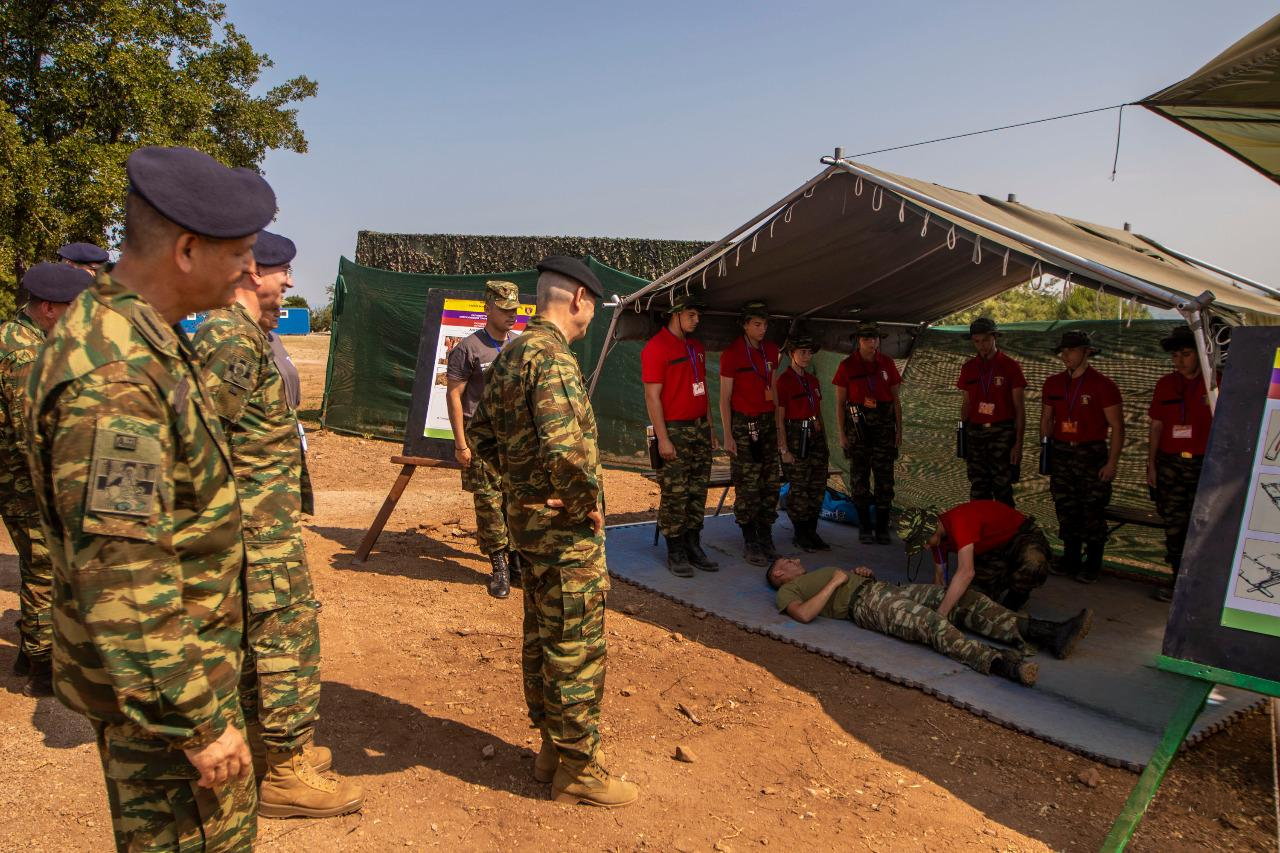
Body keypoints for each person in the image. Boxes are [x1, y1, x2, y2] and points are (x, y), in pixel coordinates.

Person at [25, 146, 270, 851]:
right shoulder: (116, 378)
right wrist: (197, 720)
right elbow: (123, 573)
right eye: (241, 254)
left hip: (176, 675)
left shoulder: (135, 333)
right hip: (166, 706)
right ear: (187, 250)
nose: (252, 274)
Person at [192, 230, 362, 820]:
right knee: (286, 642)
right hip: (252, 532)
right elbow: (198, 441)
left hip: (262, 525)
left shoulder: (246, 334)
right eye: (281, 270)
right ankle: (287, 775)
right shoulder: (231, 339)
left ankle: (272, 753)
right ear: (250, 272)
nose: (290, 281)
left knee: (262, 643)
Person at [468, 255, 637, 808]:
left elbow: (480, 435)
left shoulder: (512, 354)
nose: (592, 317)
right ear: (580, 299)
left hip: (529, 529)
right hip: (565, 535)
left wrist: (522, 490)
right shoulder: (553, 359)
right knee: (575, 645)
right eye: (594, 306)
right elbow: (567, 452)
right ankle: (580, 768)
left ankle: (551, 749)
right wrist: (585, 504)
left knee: (543, 634)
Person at [767, 557, 1092, 686]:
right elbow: (804, 614)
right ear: (779, 573)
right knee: (931, 623)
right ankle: (1001, 664)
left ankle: (1044, 632)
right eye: (788, 561)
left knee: (959, 598)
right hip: (865, 605)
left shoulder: (814, 575)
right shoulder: (788, 591)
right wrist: (836, 582)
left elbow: (842, 584)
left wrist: (860, 574)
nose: (796, 559)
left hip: (882, 589)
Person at [0, 262, 92, 696]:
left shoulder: (18, 336)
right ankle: (42, 666)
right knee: (45, 568)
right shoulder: (26, 354)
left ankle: (28, 652)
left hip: (17, 477)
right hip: (26, 482)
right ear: (50, 308)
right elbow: (32, 436)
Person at [446, 279, 523, 597]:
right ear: (487, 308)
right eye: (504, 309)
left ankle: (517, 562)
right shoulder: (469, 348)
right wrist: (460, 444)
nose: (511, 315)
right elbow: (454, 395)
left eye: (514, 309)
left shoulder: (520, 344)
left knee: (515, 501)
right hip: (481, 441)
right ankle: (499, 567)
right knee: (489, 504)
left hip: (515, 440)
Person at [641, 292, 718, 576]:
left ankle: (693, 545)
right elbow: (652, 397)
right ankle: (675, 551)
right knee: (676, 493)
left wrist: (710, 427)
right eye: (691, 315)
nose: (697, 320)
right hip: (674, 430)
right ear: (675, 314)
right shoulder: (656, 347)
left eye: (698, 315)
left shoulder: (696, 346)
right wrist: (663, 438)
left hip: (700, 428)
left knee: (698, 490)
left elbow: (703, 388)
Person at [1041, 330, 1124, 584]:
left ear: (1087, 352)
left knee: (1092, 510)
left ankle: (1093, 564)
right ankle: (1070, 559)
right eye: (1063, 351)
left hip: (1091, 453)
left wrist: (1111, 463)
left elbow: (1117, 427)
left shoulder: (1103, 385)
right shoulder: (1053, 383)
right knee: (1066, 507)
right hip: (1061, 452)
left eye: (1071, 350)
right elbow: (1046, 419)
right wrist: (1046, 451)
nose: (1065, 355)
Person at [1147, 325, 1212, 602]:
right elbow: (1156, 426)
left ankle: (1202, 588)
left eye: (1186, 354)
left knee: (1205, 527)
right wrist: (1151, 464)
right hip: (1170, 464)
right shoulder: (1165, 384)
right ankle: (1177, 583)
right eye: (1175, 356)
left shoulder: (1216, 382)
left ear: (1199, 353)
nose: (1180, 361)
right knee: (1174, 526)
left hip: (1206, 465)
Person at [895, 502, 1052, 613]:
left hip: (1020, 536)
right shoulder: (938, 540)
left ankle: (1017, 595)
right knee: (973, 599)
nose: (926, 547)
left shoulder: (960, 522)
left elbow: (966, 572)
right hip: (991, 551)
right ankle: (1004, 578)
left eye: (924, 541)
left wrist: (941, 614)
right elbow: (940, 577)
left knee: (1033, 563)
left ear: (931, 529)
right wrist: (936, 604)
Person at [719, 300, 782, 565]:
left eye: (765, 324)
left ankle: (766, 536)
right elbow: (724, 398)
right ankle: (750, 540)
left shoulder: (772, 350)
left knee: (770, 482)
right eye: (757, 324)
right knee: (748, 484)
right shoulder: (732, 354)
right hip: (744, 425)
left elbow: (774, 390)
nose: (762, 329)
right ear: (745, 326)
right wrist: (728, 435)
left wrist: (778, 429)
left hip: (767, 423)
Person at [833, 321, 902, 545]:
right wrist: (842, 434)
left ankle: (881, 527)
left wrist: (899, 430)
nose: (871, 343)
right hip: (857, 427)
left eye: (874, 338)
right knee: (859, 478)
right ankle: (864, 526)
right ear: (858, 341)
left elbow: (896, 400)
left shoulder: (887, 363)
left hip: (884, 427)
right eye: (866, 339)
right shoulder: (847, 366)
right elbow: (840, 403)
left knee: (884, 479)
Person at [956, 317, 1026, 506]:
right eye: (977, 341)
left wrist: (1018, 444)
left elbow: (1020, 409)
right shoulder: (968, 368)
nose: (982, 346)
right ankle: (982, 525)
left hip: (1002, 434)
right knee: (978, 488)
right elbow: (966, 404)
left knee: (1003, 489)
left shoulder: (1010, 366)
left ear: (995, 337)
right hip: (975, 434)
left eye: (986, 340)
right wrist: (963, 435)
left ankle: (1006, 525)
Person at [774, 333, 830, 552]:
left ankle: (812, 531)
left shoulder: (813, 380)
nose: (807, 356)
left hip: (815, 435)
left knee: (817, 485)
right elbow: (779, 418)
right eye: (802, 352)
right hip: (795, 435)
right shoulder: (784, 381)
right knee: (799, 487)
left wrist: (823, 440)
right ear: (791, 354)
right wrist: (784, 449)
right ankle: (800, 533)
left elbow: (818, 411)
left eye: (809, 352)